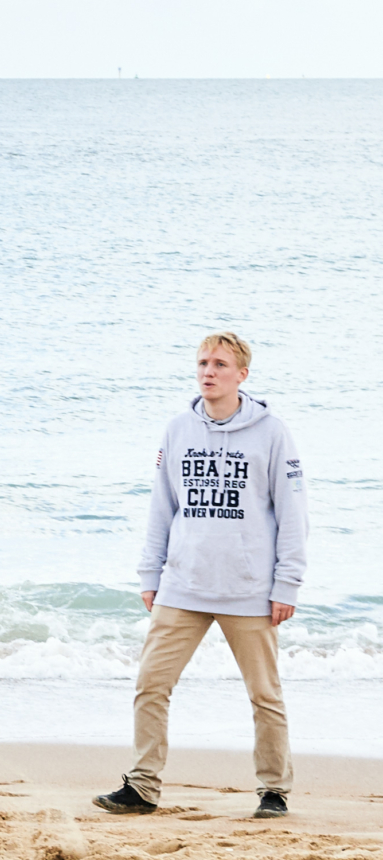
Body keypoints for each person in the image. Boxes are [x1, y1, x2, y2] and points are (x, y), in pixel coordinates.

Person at [94, 332, 307, 820]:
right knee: (151, 684)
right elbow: (161, 507)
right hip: (183, 585)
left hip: (249, 589)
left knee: (264, 695)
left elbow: (293, 514)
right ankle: (142, 786)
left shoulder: (272, 432)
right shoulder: (177, 430)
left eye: (219, 364)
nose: (208, 371)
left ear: (241, 374)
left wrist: (286, 584)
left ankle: (274, 791)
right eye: (202, 363)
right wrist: (151, 574)